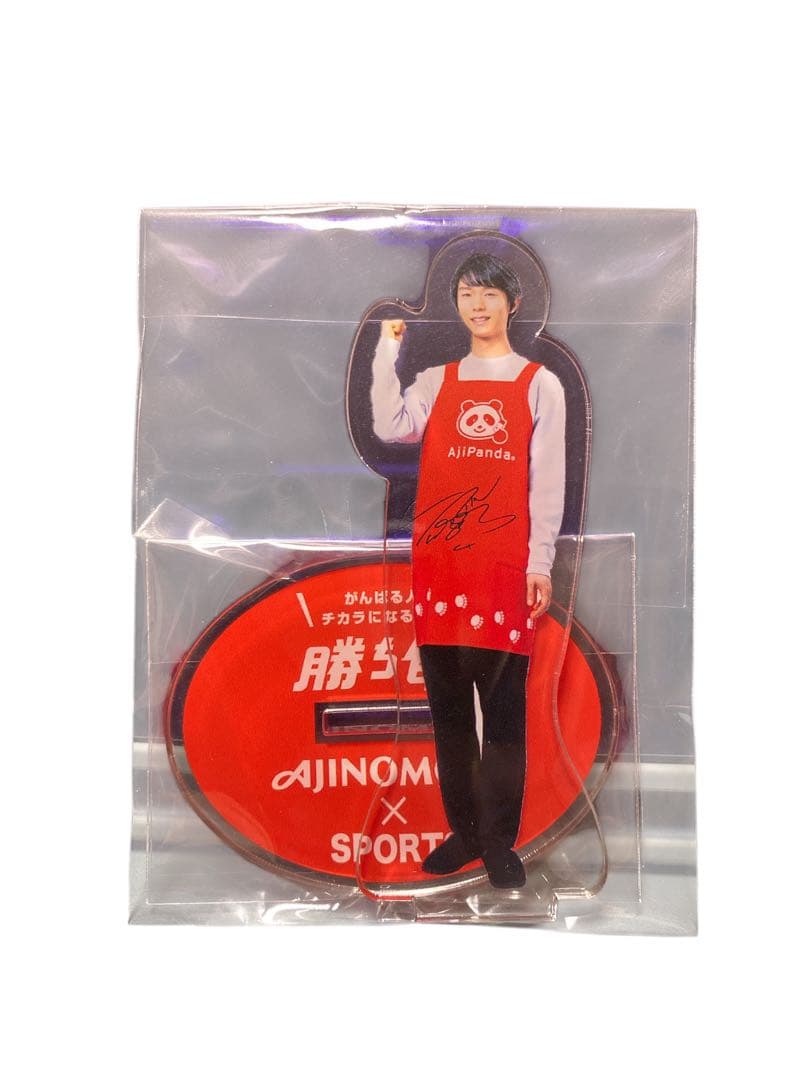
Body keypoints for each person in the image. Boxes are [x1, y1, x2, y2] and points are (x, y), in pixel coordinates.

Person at [371, 253, 566, 889]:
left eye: (488, 295)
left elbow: (547, 483)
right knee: (450, 714)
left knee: (504, 716)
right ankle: (464, 832)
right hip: (441, 568)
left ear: (512, 303)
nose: (476, 306)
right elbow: (391, 425)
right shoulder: (436, 380)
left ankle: (500, 842)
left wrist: (540, 563)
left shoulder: (540, 384)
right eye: (465, 294)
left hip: (504, 568)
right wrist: (386, 352)